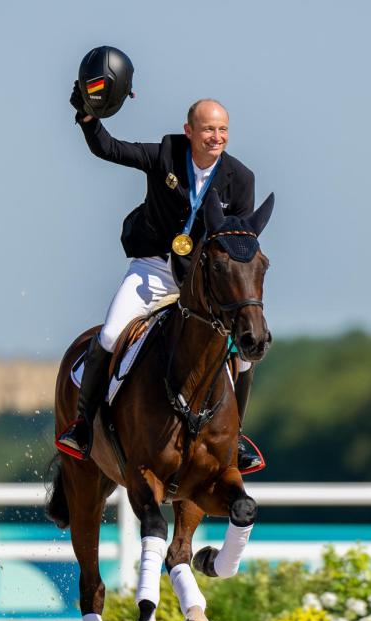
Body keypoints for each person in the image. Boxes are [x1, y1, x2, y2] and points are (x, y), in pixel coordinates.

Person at [56, 91, 263, 472]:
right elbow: (111, 149)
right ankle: (84, 425)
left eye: (223, 130)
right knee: (109, 334)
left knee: (244, 357)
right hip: (153, 270)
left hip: (203, 283)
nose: (216, 137)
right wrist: (87, 117)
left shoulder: (241, 179)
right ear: (189, 131)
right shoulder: (165, 154)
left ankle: (236, 438)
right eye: (208, 130)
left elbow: (238, 245)